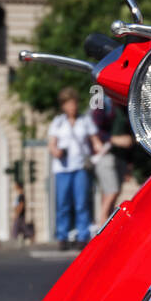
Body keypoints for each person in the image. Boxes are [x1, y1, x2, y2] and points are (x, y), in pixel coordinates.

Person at [48, 87, 100, 250]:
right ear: (63, 106)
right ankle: (62, 236)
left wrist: (99, 148)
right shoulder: (58, 122)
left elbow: (95, 140)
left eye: (74, 103)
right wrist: (56, 151)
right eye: (68, 104)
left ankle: (82, 236)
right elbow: (52, 144)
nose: (72, 107)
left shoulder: (85, 120)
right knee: (63, 203)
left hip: (80, 167)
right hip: (62, 168)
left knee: (81, 203)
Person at [91, 99, 134, 227]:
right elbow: (94, 130)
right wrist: (114, 139)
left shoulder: (124, 106)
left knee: (113, 193)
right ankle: (101, 224)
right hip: (106, 154)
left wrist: (129, 162)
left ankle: (106, 225)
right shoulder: (102, 106)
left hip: (121, 156)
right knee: (111, 191)